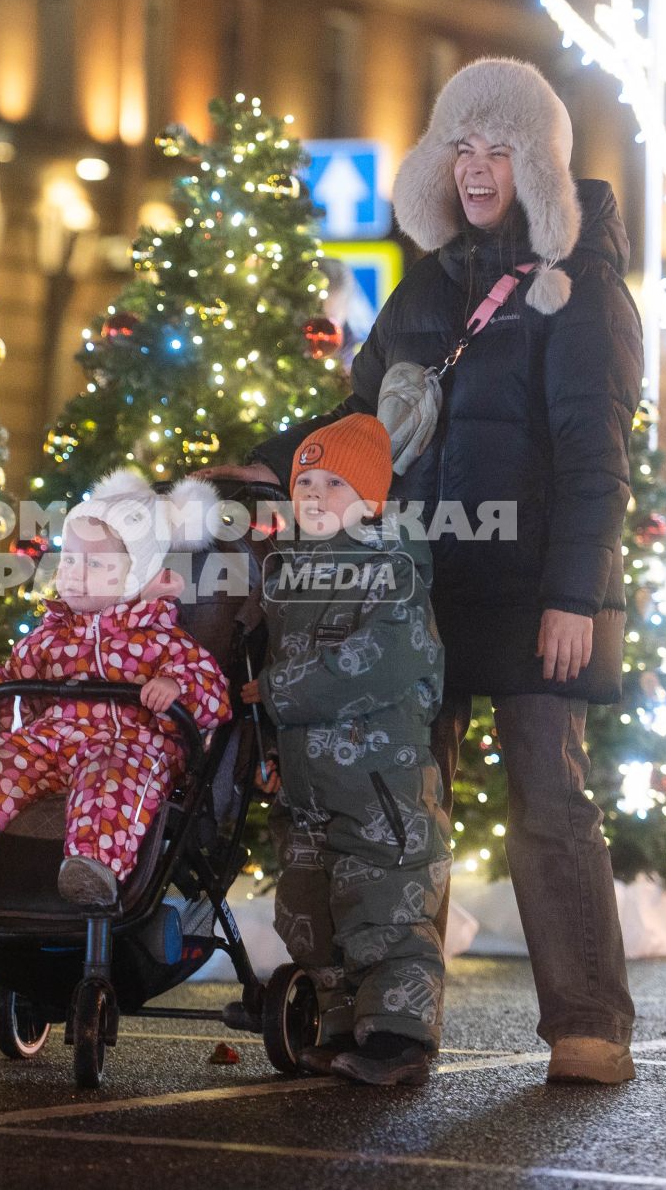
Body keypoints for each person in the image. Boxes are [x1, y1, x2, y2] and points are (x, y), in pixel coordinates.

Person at [206, 58, 643, 1085]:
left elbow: (595, 463)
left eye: (499, 149)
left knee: (550, 803)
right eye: (461, 146)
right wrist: (269, 463)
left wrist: (576, 595)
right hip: (422, 587)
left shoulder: (582, 294)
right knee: (395, 802)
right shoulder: (426, 285)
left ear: (536, 164)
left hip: (539, 589)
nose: (478, 168)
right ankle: (390, 1019)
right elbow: (359, 422)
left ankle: (590, 1025)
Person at [0, 472, 230, 910]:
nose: (74, 573)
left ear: (137, 573)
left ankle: (92, 865)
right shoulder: (49, 637)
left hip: (128, 746)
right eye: (69, 558)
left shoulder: (164, 640)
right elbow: (15, 706)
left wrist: (175, 686)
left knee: (112, 776)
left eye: (95, 564)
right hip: (51, 743)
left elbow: (214, 695)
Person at [244, 414, 449, 1087]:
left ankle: (397, 1034)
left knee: (384, 901)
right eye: (304, 479)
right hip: (306, 785)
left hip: (377, 781)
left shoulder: (390, 566)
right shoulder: (288, 574)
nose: (313, 493)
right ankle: (340, 1023)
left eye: (334, 483)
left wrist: (272, 692)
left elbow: (378, 663)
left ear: (370, 499)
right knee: (312, 906)